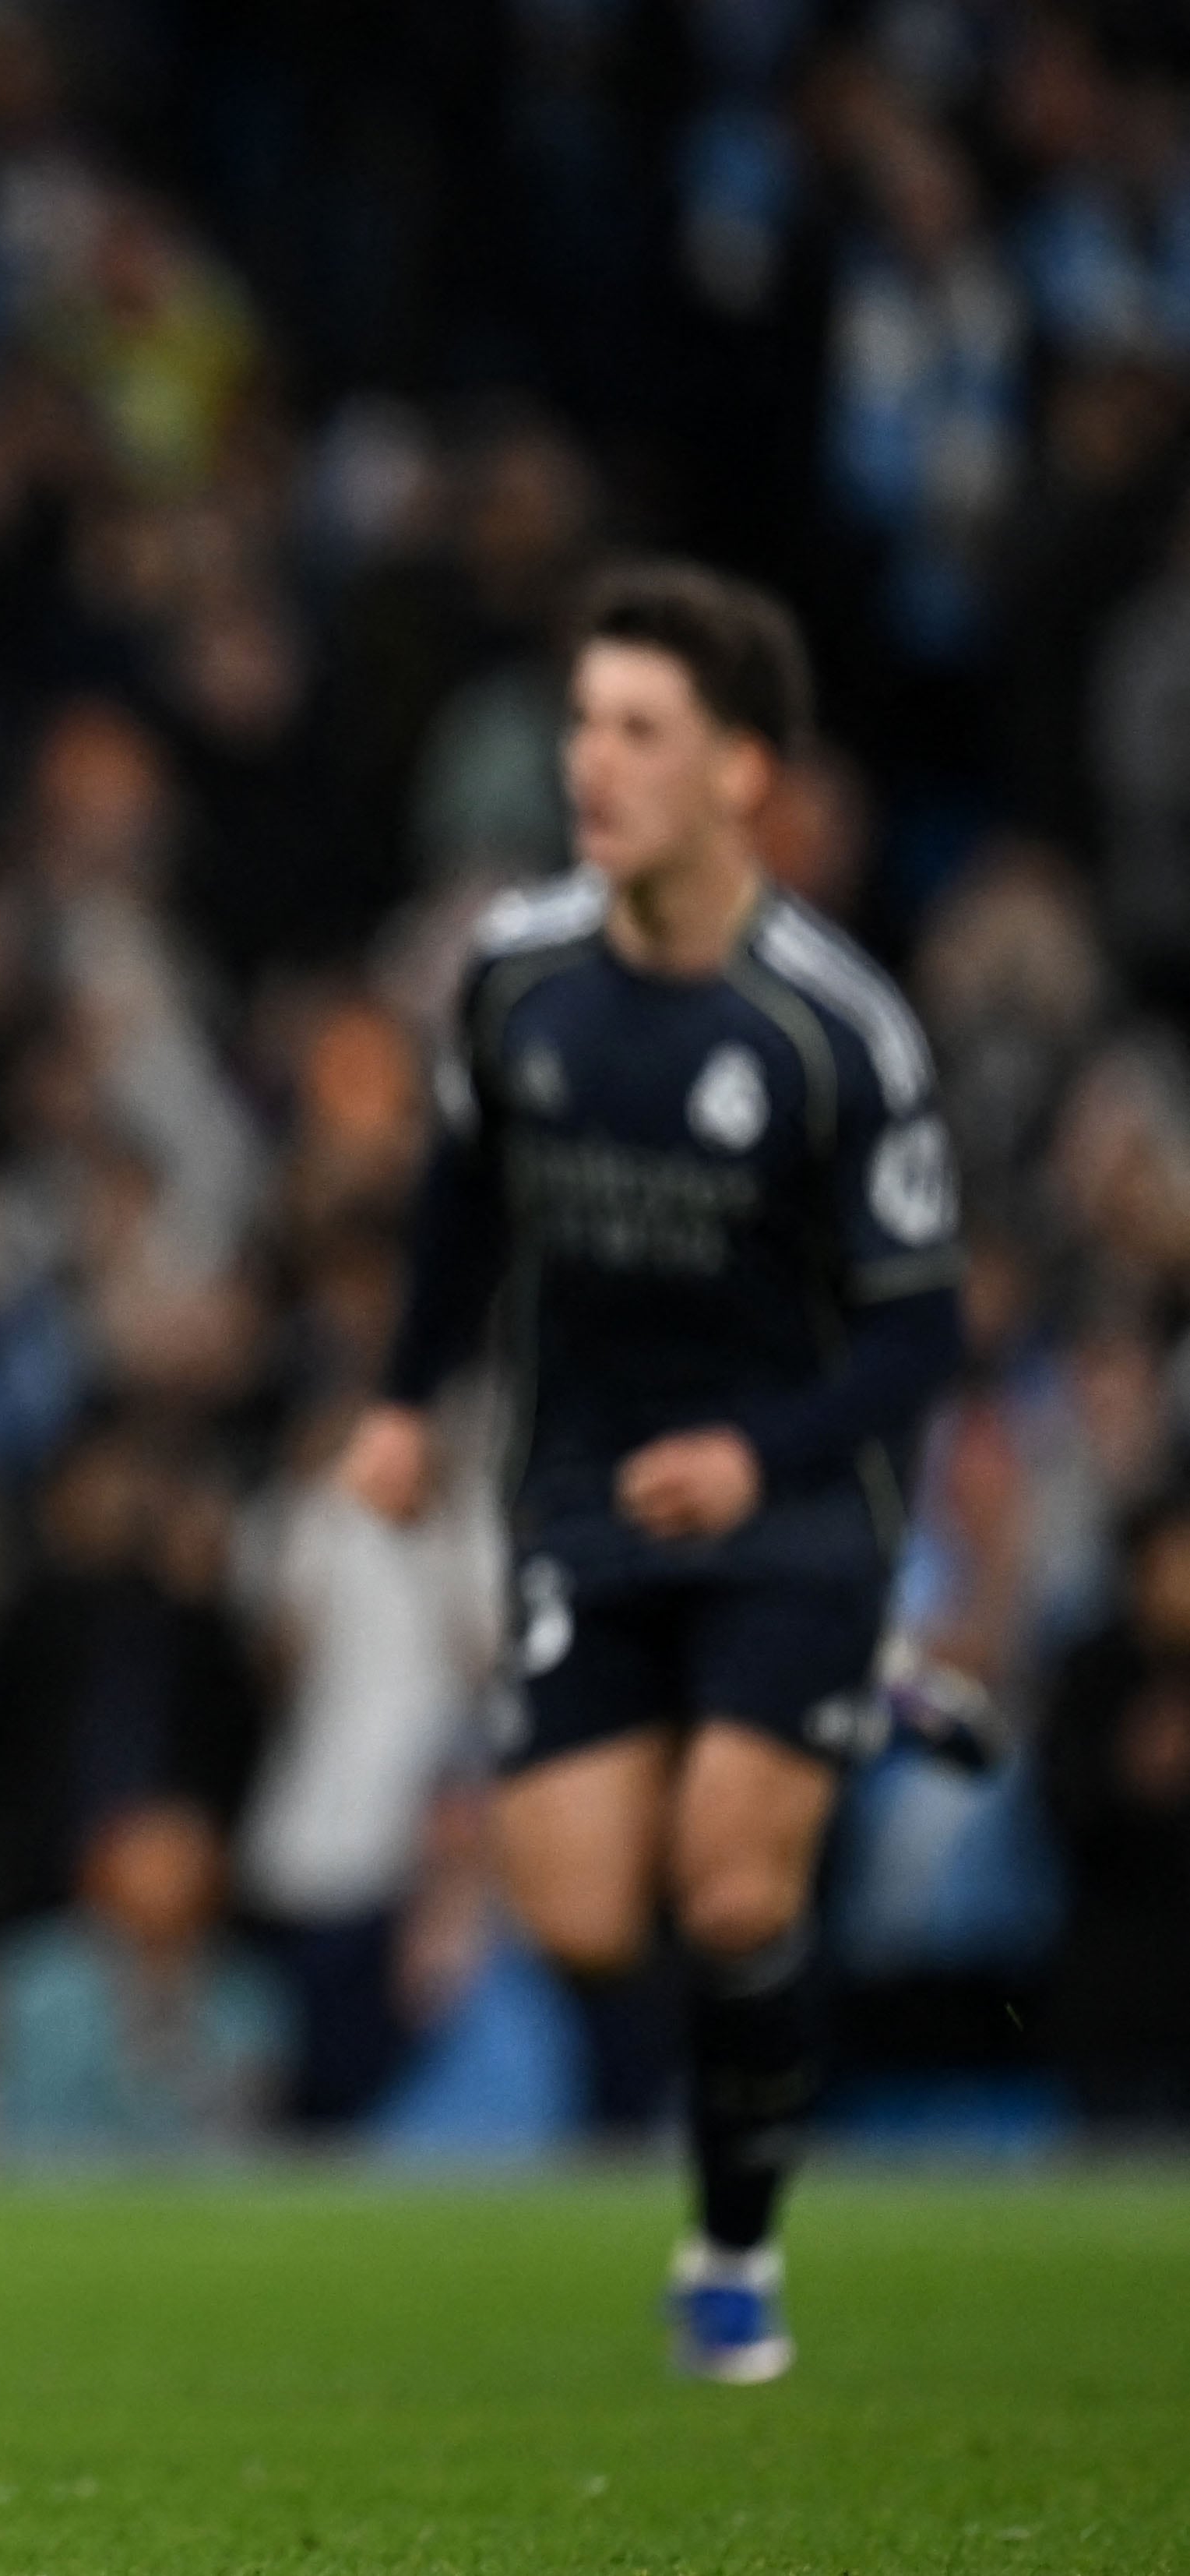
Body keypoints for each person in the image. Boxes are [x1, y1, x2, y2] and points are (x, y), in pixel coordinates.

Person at [340, 561, 967, 2383]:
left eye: (640, 730)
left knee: (731, 1891)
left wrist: (754, 1452)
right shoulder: (517, 976)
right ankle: (878, 1700)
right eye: (583, 725)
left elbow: (925, 1333)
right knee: (583, 1912)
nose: (591, 764)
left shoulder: (837, 1029)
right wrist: (400, 1400)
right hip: (585, 1504)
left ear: (743, 773)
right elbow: (464, 1206)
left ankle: (734, 2256)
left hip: (789, 1515)